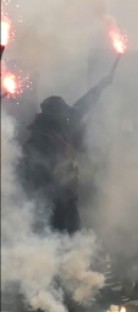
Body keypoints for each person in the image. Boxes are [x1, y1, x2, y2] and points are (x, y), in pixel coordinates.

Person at [18, 71, 114, 234]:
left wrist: (101, 85)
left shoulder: (63, 128)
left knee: (72, 236)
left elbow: (84, 105)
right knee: (54, 237)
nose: (67, 116)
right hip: (51, 202)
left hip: (68, 197)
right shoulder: (39, 140)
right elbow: (32, 175)